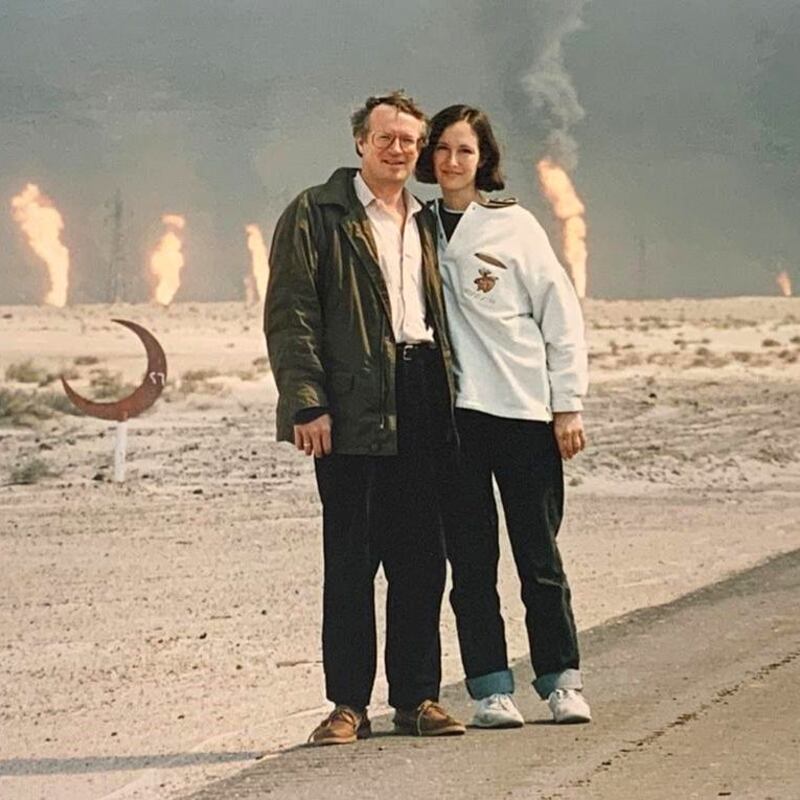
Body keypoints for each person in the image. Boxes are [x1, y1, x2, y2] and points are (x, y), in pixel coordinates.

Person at [265, 91, 466, 745]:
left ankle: (418, 700)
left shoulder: (430, 220)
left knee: (421, 559)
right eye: (387, 138)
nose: (399, 150)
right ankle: (348, 706)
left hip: (425, 395)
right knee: (351, 561)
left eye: (410, 140)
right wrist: (307, 401)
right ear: (360, 142)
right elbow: (291, 311)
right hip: (350, 405)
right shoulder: (316, 212)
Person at [415, 104, 592, 728]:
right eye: (441, 150)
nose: (452, 161)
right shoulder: (416, 226)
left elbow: (560, 315)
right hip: (455, 423)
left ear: (483, 158)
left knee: (538, 559)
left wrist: (566, 404)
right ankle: (490, 687)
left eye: (464, 150)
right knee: (470, 562)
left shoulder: (516, 226)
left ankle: (561, 680)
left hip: (523, 414)